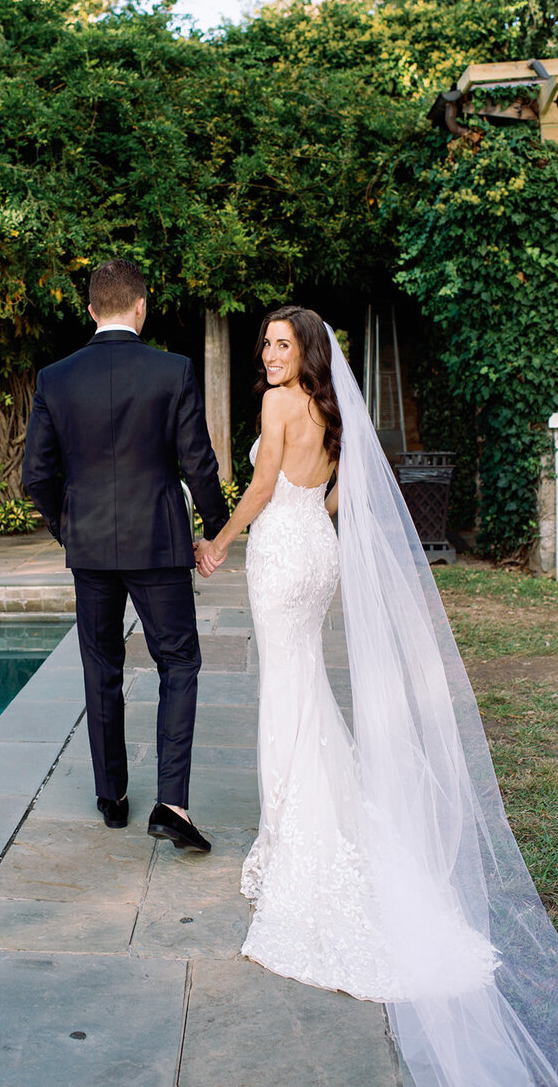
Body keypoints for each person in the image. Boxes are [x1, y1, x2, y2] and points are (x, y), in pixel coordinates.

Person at [197, 305, 558, 1087]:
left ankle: (292, 838)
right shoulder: (331, 409)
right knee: (304, 688)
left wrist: (220, 542)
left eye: (281, 344)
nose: (267, 354)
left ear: (305, 353)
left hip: (281, 555)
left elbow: (261, 484)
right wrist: (306, 518)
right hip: (317, 553)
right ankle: (295, 824)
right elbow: (338, 495)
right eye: (265, 343)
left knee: (286, 693)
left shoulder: (278, 403)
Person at [22, 258, 228, 853]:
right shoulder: (173, 371)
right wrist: (215, 529)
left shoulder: (55, 378)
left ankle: (111, 798)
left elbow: (35, 475)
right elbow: (199, 464)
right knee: (179, 664)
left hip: (90, 547)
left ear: (91, 310)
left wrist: (71, 526)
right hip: (159, 545)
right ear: (142, 306)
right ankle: (170, 804)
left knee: (100, 667)